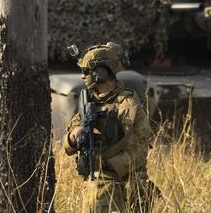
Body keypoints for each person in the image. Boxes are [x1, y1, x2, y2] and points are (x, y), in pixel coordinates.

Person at [63, 42, 156, 213]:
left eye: (86, 71)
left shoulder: (127, 104)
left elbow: (140, 150)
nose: (83, 77)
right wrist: (74, 137)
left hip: (124, 186)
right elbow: (67, 144)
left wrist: (106, 163)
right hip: (96, 188)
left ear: (101, 72)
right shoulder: (89, 102)